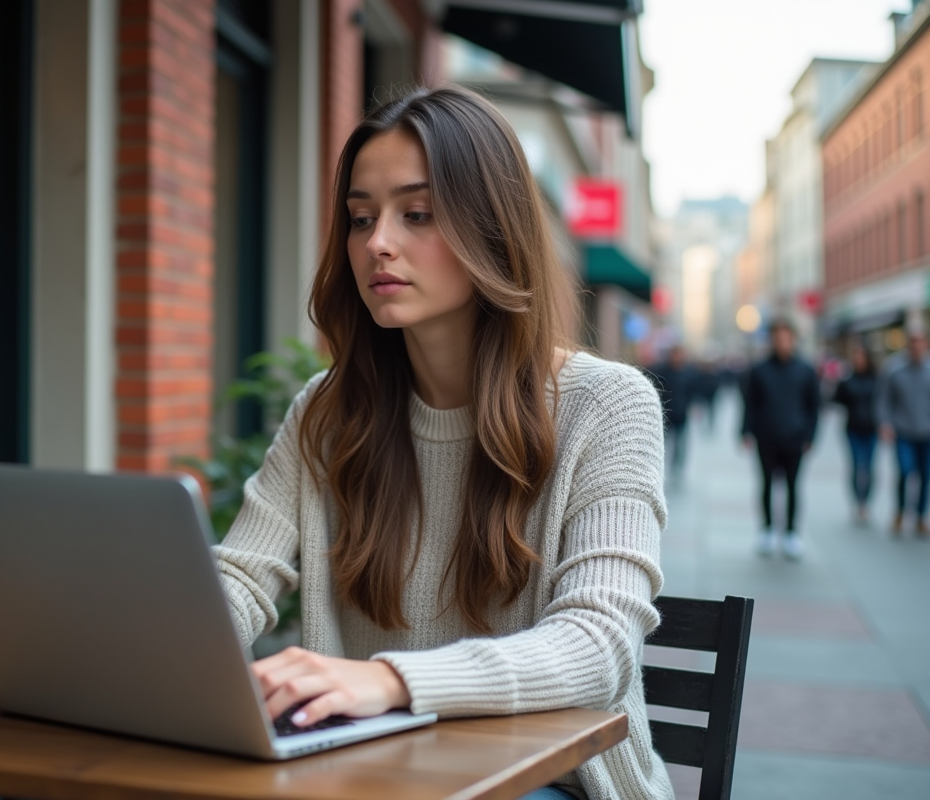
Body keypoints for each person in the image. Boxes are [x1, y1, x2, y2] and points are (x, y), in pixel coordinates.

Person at [212, 87, 670, 800]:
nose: (377, 243)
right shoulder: (329, 414)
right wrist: (151, 652)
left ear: (492, 227)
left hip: (553, 786)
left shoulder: (606, 405)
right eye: (361, 217)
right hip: (374, 780)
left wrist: (388, 681)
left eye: (416, 214)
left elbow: (598, 645)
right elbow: (240, 577)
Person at [741, 319, 820, 559]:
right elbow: (750, 404)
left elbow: (814, 407)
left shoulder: (806, 370)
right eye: (777, 337)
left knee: (793, 487)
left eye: (785, 337)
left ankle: (791, 533)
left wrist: (810, 436)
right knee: (766, 485)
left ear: (793, 339)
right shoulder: (759, 370)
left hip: (795, 438)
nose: (781, 342)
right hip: (766, 438)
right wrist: (745, 431)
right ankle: (766, 530)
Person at [876, 328, 930, 537]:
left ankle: (919, 517)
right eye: (913, 342)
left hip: (926, 432)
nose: (916, 346)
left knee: (925, 476)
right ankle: (899, 512)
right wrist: (885, 423)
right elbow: (883, 400)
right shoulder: (894, 369)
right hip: (903, 431)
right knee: (906, 471)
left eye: (920, 342)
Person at [832, 343, 879, 524]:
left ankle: (865, 502)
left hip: (871, 429)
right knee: (857, 464)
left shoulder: (876, 379)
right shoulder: (847, 380)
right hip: (853, 429)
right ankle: (858, 502)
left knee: (868, 466)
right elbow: (836, 400)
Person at [647, 345, 697, 479]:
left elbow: (691, 393)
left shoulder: (688, 373)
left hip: (681, 415)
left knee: (680, 444)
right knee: (662, 443)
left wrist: (693, 407)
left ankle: (677, 468)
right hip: (665, 415)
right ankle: (658, 467)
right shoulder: (662, 372)